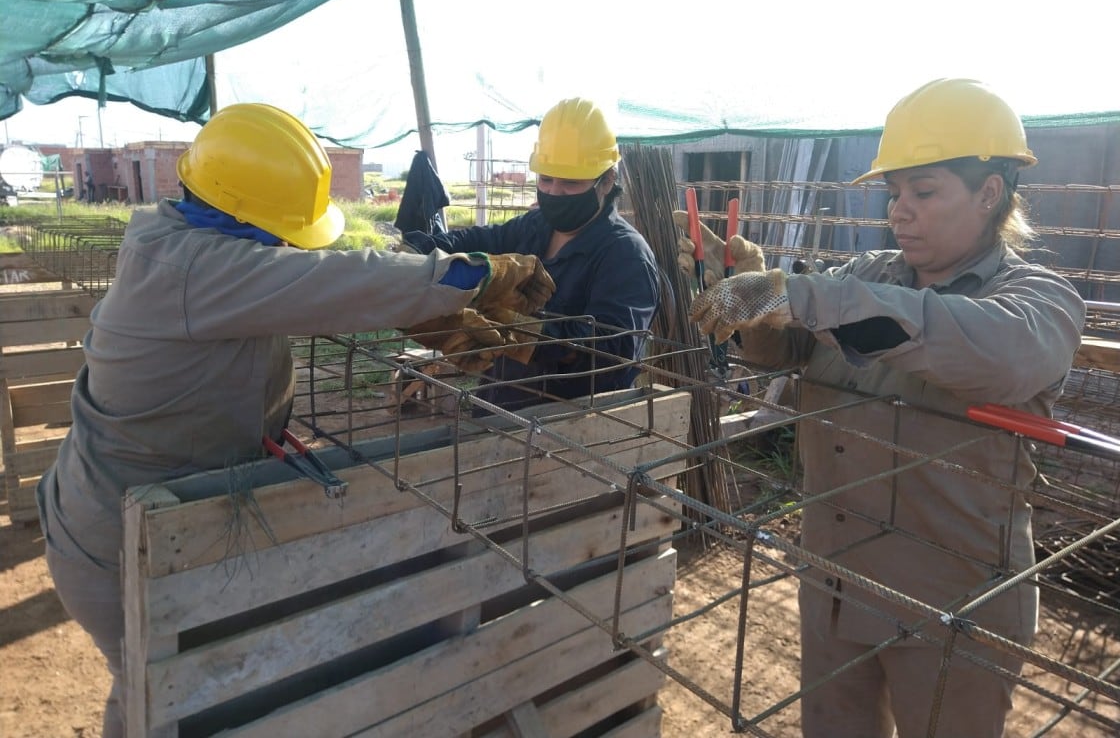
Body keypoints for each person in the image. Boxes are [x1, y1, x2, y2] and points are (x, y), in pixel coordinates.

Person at [35, 102, 555, 738]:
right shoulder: (190, 268)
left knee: (162, 694)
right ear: (246, 216)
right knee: (165, 700)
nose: (287, 245)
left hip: (149, 512)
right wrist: (472, 276)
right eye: (283, 232)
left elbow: (245, 342)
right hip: (119, 540)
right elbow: (327, 280)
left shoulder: (185, 245)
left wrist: (271, 433)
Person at [684, 79, 1086, 737]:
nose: (900, 211)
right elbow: (782, 354)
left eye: (923, 193)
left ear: (990, 194)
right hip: (834, 581)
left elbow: (998, 355)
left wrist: (804, 295)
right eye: (895, 193)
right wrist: (749, 298)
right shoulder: (868, 276)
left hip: (952, 604)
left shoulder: (1039, 300)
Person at [402, 97, 661, 411]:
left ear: (606, 181)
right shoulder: (535, 227)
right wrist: (415, 250)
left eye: (570, 183)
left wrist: (522, 334)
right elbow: (476, 239)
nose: (553, 192)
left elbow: (611, 348)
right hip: (499, 405)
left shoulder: (626, 256)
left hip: (574, 422)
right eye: (545, 179)